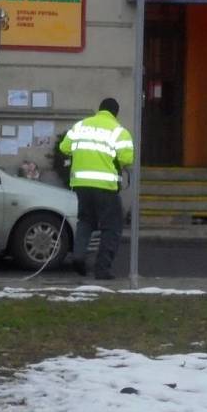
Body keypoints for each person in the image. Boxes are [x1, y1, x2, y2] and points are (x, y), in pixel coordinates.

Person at [59, 97, 134, 280]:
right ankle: (102, 269)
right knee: (112, 227)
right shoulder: (118, 131)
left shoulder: (80, 126)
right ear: (115, 113)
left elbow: (64, 147)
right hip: (105, 187)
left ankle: (78, 257)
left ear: (99, 110)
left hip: (81, 185)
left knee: (86, 221)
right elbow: (127, 159)